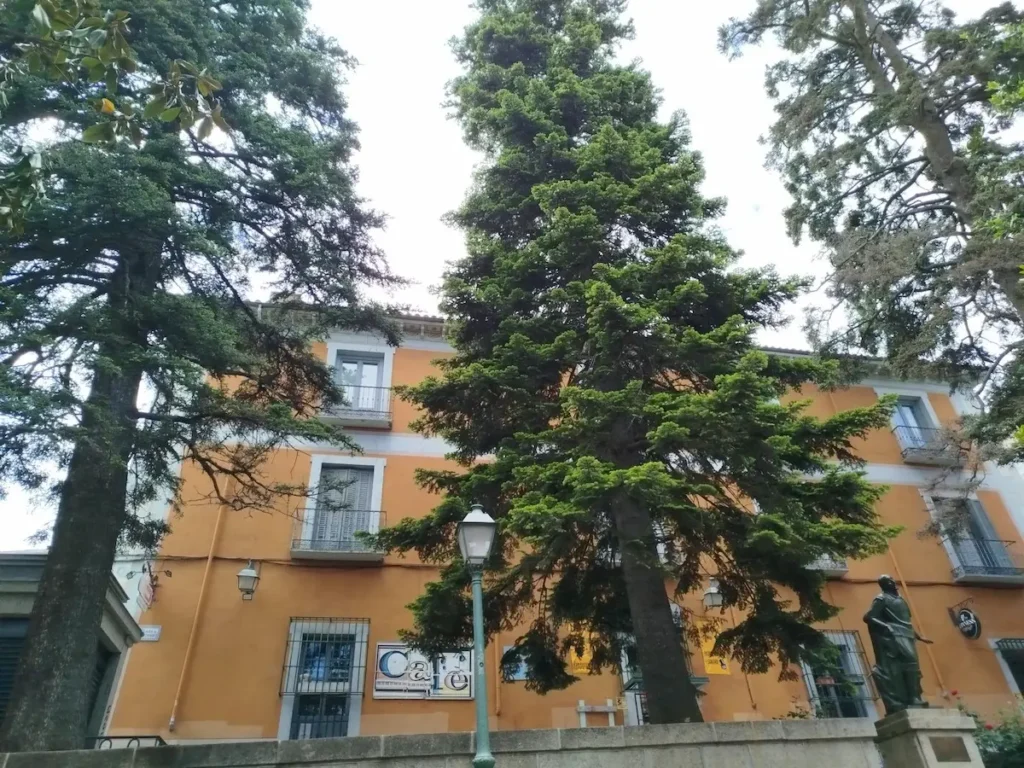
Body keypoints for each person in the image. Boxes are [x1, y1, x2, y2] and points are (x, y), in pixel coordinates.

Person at [863, 575, 933, 715]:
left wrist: (919, 637)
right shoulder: (881, 599)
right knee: (910, 662)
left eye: (892, 580)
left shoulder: (900, 599)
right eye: (889, 581)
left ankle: (914, 697)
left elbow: (905, 622)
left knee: (913, 667)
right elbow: (869, 617)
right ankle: (912, 698)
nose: (893, 582)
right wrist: (887, 627)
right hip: (896, 636)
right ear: (884, 585)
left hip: (907, 635)